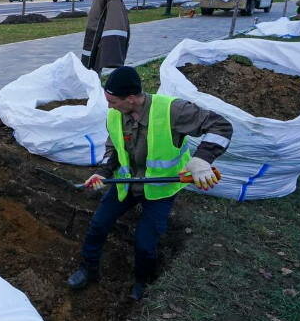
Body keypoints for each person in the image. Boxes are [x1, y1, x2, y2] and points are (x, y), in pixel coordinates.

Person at [66, 66, 233, 300]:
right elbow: (112, 147)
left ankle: (143, 282)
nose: (109, 106)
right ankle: (88, 269)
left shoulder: (172, 110)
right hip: (127, 184)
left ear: (132, 99)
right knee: (98, 225)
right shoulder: (115, 114)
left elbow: (221, 126)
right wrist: (103, 172)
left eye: (113, 101)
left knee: (145, 243)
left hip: (160, 189)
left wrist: (201, 160)